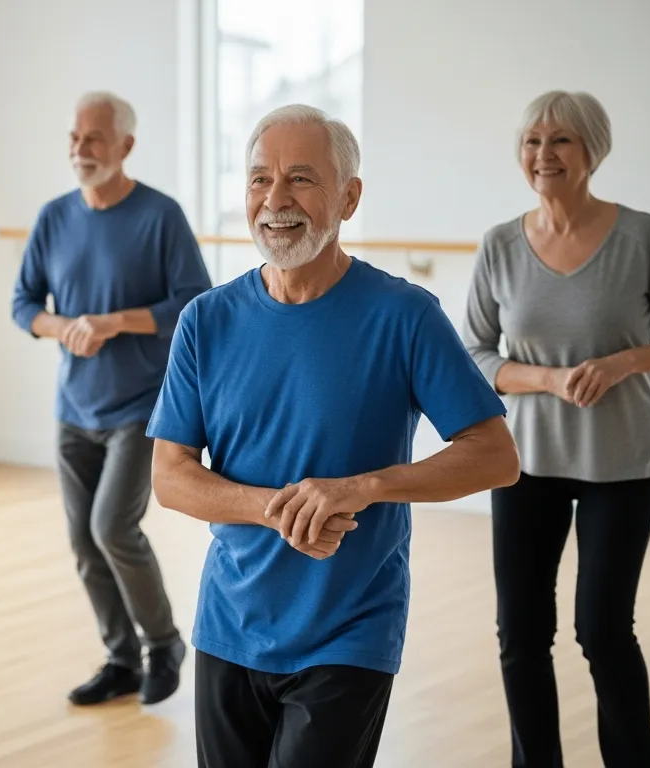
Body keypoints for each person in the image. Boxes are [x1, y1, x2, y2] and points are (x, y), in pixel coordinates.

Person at [146, 103, 521, 768]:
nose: (275, 200)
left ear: (349, 196)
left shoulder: (403, 315)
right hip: (229, 625)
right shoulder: (206, 320)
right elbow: (170, 475)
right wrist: (276, 508)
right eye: (260, 179)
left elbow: (494, 456)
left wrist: (363, 487)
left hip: (350, 629)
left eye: (301, 179)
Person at [462, 90, 650, 768]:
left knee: (603, 631)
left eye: (561, 141)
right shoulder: (499, 245)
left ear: (591, 151)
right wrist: (547, 378)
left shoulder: (641, 236)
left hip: (623, 461)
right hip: (525, 462)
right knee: (520, 633)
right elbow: (476, 355)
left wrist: (623, 362)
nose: (543, 155)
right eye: (532, 142)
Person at [11, 90, 212, 707]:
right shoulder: (53, 217)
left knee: (112, 528)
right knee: (82, 541)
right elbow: (24, 305)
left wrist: (113, 321)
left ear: (125, 145)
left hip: (141, 408)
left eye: (94, 138)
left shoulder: (160, 216)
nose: (80, 150)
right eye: (74, 138)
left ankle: (164, 643)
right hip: (74, 409)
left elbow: (192, 303)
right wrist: (63, 325)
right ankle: (122, 658)